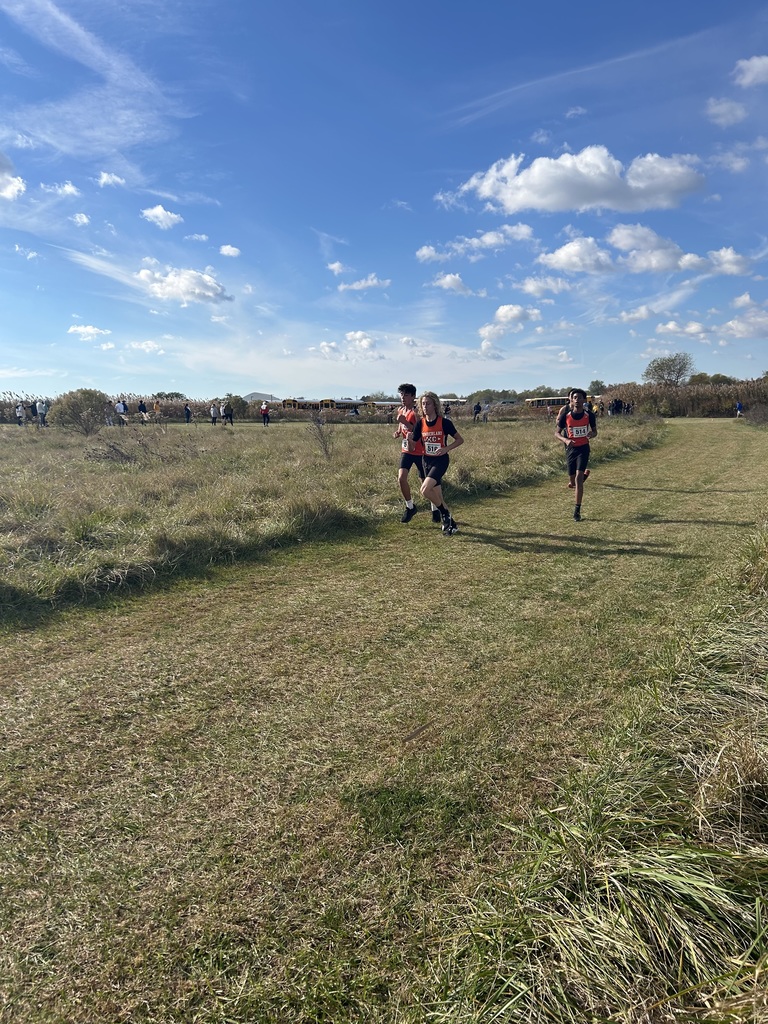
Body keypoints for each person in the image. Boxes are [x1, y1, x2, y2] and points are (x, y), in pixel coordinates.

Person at [408, 391, 464, 535]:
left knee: (425, 490)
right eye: (423, 404)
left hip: (441, 460)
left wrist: (446, 448)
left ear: (435, 405)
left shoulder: (444, 422)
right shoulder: (420, 424)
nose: (425, 406)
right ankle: (452, 524)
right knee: (438, 497)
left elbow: (459, 440)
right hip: (426, 460)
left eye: (428, 403)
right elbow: (412, 447)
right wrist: (409, 439)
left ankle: (444, 514)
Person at [555, 388, 597, 522]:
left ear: (584, 400)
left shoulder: (589, 415)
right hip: (571, 450)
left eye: (580, 398)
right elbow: (557, 433)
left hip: (583, 448)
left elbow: (595, 431)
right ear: (571, 400)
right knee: (572, 482)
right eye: (575, 397)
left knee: (578, 480)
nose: (577, 400)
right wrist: (566, 440)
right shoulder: (565, 416)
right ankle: (582, 478)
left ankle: (577, 511)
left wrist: (591, 434)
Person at [394, 383, 428, 524]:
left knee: (426, 484)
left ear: (413, 396)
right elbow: (402, 425)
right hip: (407, 450)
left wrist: (406, 424)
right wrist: (398, 431)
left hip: (420, 451)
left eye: (406, 395)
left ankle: (435, 508)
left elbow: (420, 430)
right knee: (401, 478)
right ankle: (410, 507)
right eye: (401, 395)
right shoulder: (401, 410)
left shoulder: (417, 412)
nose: (403, 398)